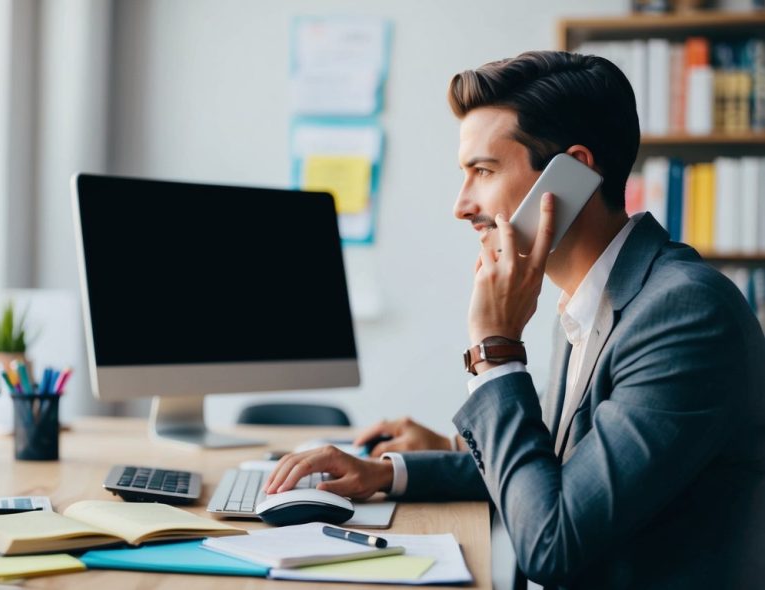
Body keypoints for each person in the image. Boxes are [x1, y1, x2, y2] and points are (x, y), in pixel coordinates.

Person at [264, 50, 765, 589]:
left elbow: (553, 540)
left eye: (483, 171)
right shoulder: (591, 300)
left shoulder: (684, 314)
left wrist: (495, 350)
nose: (461, 205)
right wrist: (386, 473)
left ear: (573, 173)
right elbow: (547, 473)